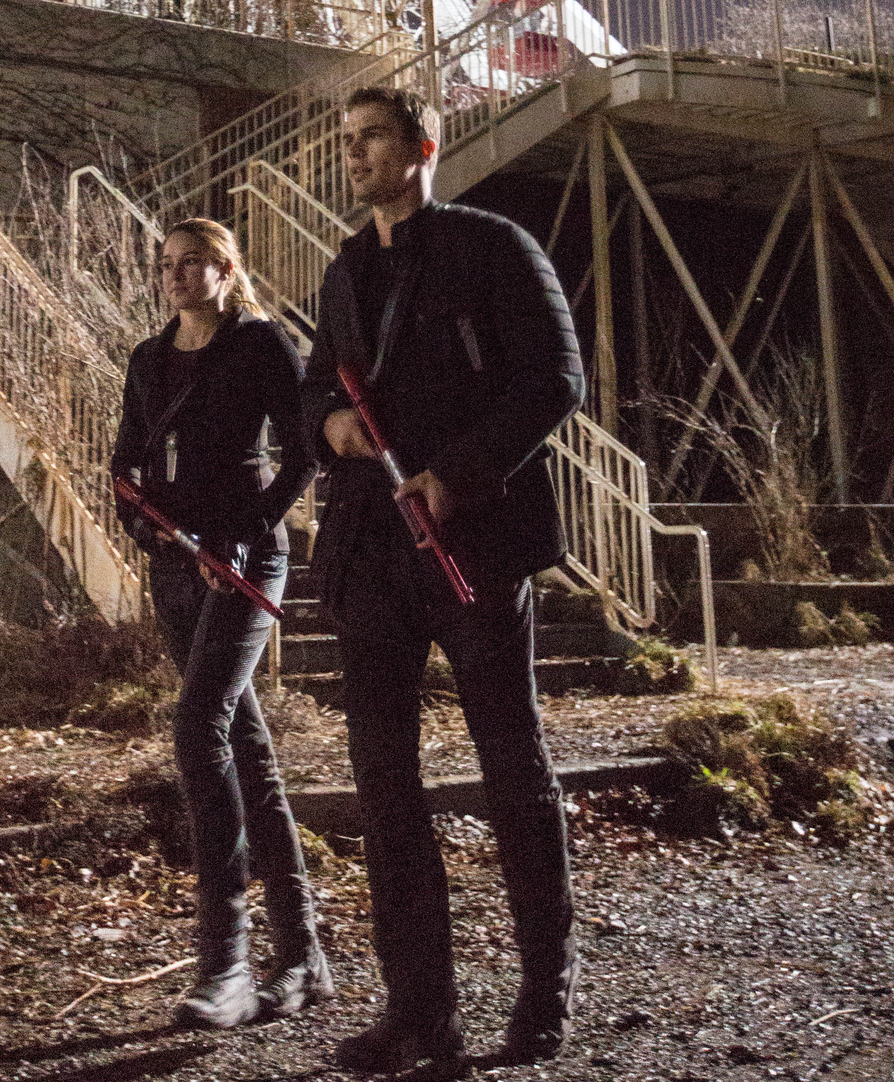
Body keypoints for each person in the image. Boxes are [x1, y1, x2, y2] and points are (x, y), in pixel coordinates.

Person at [301, 85, 587, 1076]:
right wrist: (327, 428)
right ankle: (419, 1009)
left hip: (476, 548)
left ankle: (545, 993)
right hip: (373, 559)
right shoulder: (344, 269)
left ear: (424, 145)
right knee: (385, 787)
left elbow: (554, 377)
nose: (355, 154)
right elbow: (316, 384)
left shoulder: (493, 246)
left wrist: (457, 475)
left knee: (514, 769)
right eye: (346, 142)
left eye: (372, 136)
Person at [111, 216, 332, 1030]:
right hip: (175, 563)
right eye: (167, 264)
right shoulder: (147, 357)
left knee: (198, 726)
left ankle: (226, 965)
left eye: (194, 263)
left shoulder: (262, 345)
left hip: (245, 558)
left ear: (227, 270)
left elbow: (307, 451)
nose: (177, 275)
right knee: (246, 750)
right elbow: (124, 462)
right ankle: (303, 957)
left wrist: (247, 531)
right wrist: (149, 528)